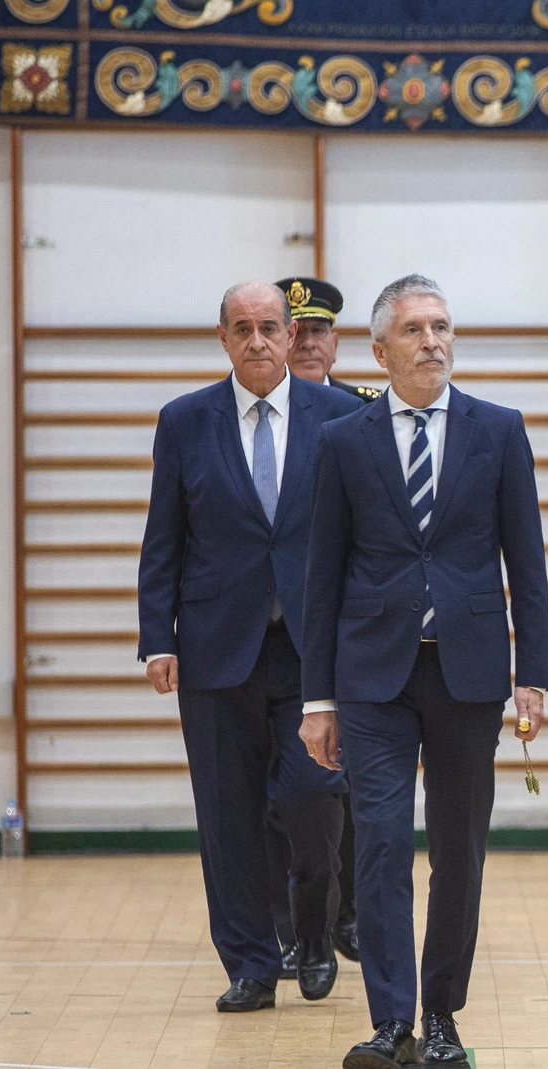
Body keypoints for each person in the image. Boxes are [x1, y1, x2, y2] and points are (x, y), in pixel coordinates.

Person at [299, 274, 548, 1068]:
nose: (432, 340)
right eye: (413, 329)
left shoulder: (499, 430)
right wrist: (317, 697)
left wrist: (533, 675)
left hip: (469, 677)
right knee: (377, 846)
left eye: (441, 325)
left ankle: (440, 1013)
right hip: (372, 678)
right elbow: (321, 575)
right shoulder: (345, 440)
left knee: (457, 851)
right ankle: (390, 1020)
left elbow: (528, 563)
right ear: (379, 349)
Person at [136, 281, 364, 1011]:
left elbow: (365, 538)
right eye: (244, 328)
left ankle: (317, 933)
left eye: (271, 326)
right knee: (226, 812)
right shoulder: (184, 420)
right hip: (214, 645)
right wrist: (155, 637)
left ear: (292, 334)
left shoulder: (340, 415)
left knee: (312, 796)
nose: (259, 340)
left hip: (312, 649)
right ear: (223, 336)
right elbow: (163, 536)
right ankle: (250, 965)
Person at [268, 274, 365, 973]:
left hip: (348, 630)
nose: (306, 342)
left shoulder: (364, 414)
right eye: (294, 329)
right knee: (282, 790)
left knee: (352, 783)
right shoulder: (253, 417)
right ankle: (289, 919)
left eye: (318, 331)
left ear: (336, 343)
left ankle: (349, 914)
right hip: (270, 631)